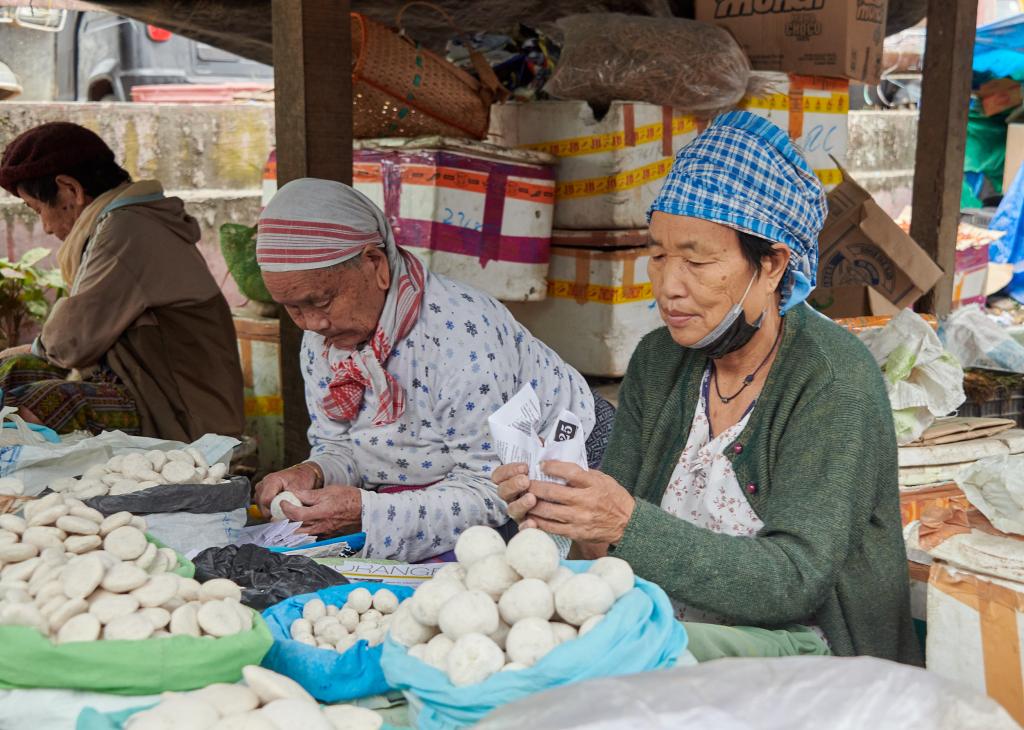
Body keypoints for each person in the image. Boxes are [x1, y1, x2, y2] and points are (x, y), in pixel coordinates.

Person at [494, 111, 921, 664]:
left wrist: (624, 522)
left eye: (697, 259)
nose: (669, 286)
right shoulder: (658, 360)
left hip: (808, 651)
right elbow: (610, 542)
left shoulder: (833, 382)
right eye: (658, 254)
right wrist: (558, 511)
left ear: (771, 265)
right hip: (662, 629)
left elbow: (794, 580)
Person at [253, 178, 607, 562]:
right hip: (428, 492)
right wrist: (314, 472)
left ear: (375, 265)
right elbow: (343, 446)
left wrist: (370, 513)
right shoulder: (324, 340)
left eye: (320, 301)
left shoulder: (459, 339)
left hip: (543, 473)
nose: (310, 324)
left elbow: (490, 490)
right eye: (292, 309)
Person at [0, 122, 244, 440]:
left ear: (69, 190)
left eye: (36, 209)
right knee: (13, 370)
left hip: (183, 416)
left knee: (40, 404)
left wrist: (25, 350)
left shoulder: (127, 230)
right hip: (142, 391)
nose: (45, 227)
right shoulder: (119, 222)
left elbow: (70, 341)